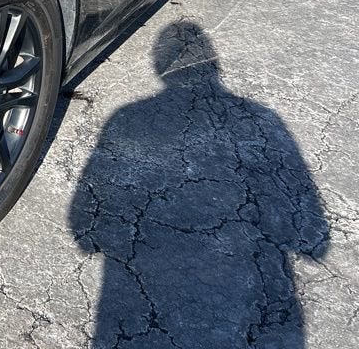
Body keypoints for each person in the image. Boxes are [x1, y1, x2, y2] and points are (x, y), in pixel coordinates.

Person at [69, 20, 328, 348]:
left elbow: (83, 226)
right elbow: (313, 238)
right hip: (247, 301)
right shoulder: (263, 117)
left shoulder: (127, 116)